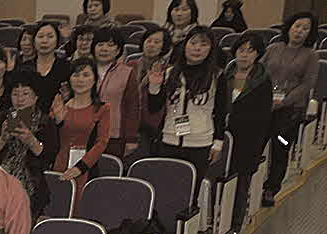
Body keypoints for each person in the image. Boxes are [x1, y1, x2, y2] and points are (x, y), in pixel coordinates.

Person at [146, 26, 227, 189]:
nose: (197, 48)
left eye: (203, 44)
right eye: (193, 43)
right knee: (166, 190)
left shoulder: (217, 76)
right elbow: (154, 108)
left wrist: (218, 143)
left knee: (191, 192)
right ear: (185, 45)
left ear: (211, 49)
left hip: (200, 143)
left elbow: (221, 112)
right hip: (168, 140)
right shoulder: (169, 73)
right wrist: (154, 86)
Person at [220, 34, 274, 234]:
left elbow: (263, 117)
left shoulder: (262, 80)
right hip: (223, 138)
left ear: (257, 54)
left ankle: (234, 227)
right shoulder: (224, 75)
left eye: (250, 50)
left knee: (241, 183)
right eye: (241, 49)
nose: (245, 54)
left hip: (247, 140)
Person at [262, 10, 320, 206]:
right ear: (289, 27)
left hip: (290, 112)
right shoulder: (273, 49)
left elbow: (306, 85)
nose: (299, 31)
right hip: (264, 106)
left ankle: (271, 187)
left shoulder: (310, 56)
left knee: (281, 147)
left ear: (309, 33)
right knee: (256, 146)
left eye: (305, 29)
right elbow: (260, 73)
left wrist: (284, 101)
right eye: (297, 26)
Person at [0, 72, 59, 220]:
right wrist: (2, 138)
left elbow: (49, 157)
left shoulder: (45, 122)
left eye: (25, 93)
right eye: (15, 94)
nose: (20, 99)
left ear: (36, 96)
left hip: (33, 183)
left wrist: (32, 141)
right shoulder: (1, 118)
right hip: (0, 180)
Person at [51, 57, 111, 193]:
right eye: (76, 75)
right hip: (58, 165)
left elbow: (101, 143)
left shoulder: (102, 108)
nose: (80, 80)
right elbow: (51, 140)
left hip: (85, 169)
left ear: (95, 79)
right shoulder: (59, 106)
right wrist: (57, 122)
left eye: (86, 75)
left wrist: (80, 167)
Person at [90, 28, 140, 158]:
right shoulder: (83, 70)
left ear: (118, 50)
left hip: (113, 135)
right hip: (84, 132)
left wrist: (131, 138)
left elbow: (132, 107)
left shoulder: (127, 72)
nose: (104, 49)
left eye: (110, 45)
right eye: (100, 44)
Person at [26, 20, 71, 113]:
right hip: (28, 118)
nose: (45, 41)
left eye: (50, 36)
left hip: (58, 118)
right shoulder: (25, 67)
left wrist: (67, 97)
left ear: (57, 41)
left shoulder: (67, 67)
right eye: (40, 36)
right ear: (34, 41)